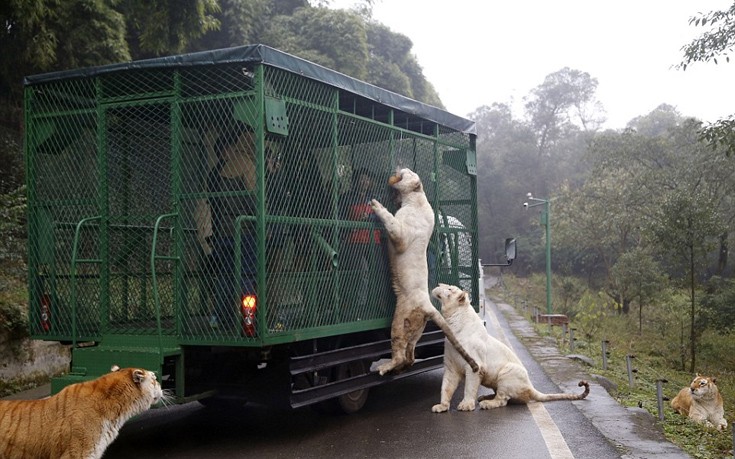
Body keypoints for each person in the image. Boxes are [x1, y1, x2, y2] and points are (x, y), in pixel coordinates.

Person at [205, 127, 258, 330]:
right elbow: (254, 201)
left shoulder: (216, 172)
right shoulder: (246, 166)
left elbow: (212, 202)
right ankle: (248, 320)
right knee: (246, 274)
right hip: (244, 230)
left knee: (226, 275)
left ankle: (217, 317)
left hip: (222, 231)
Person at [340, 168, 382, 315]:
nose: (364, 182)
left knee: (375, 272)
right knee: (359, 272)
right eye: (361, 179)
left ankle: (374, 304)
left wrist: (369, 217)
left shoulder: (374, 198)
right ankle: (357, 305)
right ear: (356, 181)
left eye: (367, 179)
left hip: (373, 240)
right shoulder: (347, 197)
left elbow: (382, 215)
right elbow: (341, 216)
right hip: (355, 241)